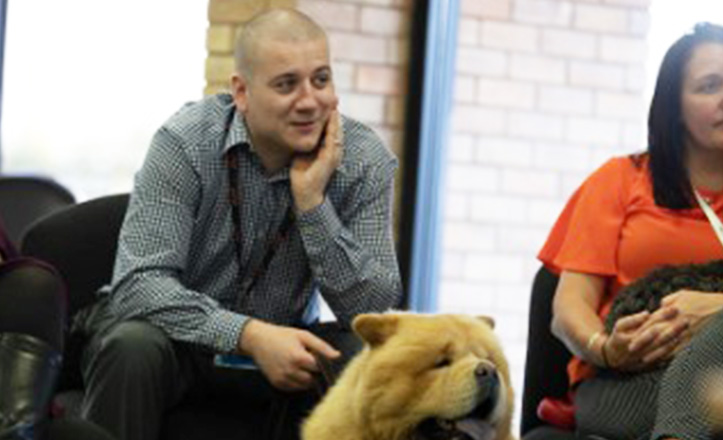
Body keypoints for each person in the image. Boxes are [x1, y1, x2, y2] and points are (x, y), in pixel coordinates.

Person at [77, 8, 402, 440]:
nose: (310, 101)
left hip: (287, 352)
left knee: (364, 354)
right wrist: (247, 334)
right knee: (132, 346)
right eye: (287, 84)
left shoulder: (362, 160)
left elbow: (373, 309)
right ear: (242, 92)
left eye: (321, 80)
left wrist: (312, 204)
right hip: (177, 343)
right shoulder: (186, 143)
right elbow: (140, 285)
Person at [539, 22, 723, 440]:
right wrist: (608, 350)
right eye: (710, 86)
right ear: (674, 107)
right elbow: (568, 310)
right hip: (625, 384)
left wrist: (715, 308)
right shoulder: (620, 180)